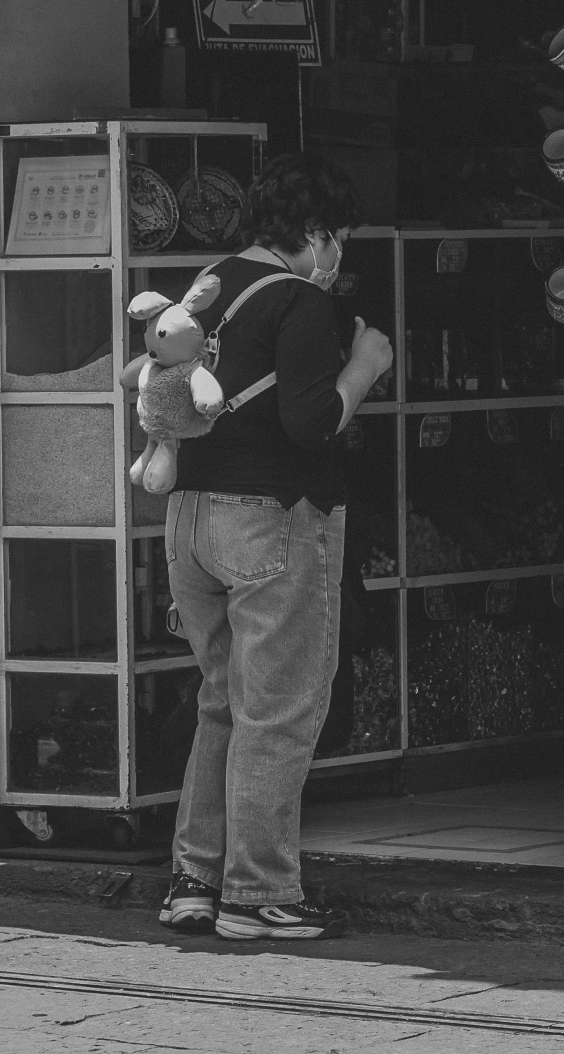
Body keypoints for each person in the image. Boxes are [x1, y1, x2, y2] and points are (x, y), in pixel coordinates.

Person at [155, 152, 393, 941]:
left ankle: (194, 879)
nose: (338, 261)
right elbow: (310, 421)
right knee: (281, 708)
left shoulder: (212, 283)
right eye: (340, 242)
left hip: (188, 518)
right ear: (315, 235)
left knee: (223, 698)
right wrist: (363, 368)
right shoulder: (299, 300)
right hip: (269, 520)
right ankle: (256, 893)